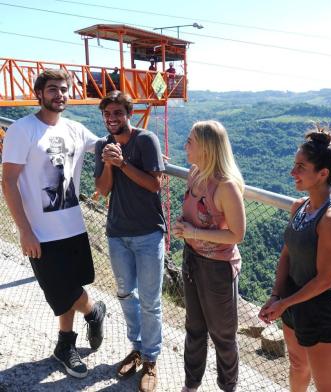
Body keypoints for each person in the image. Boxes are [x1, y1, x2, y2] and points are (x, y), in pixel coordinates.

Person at [1, 69, 106, 379]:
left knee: (67, 291)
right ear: (40, 93)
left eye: (63, 89)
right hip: (41, 233)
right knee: (62, 291)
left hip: (73, 227)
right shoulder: (23, 130)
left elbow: (105, 144)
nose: (59, 94)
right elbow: (8, 181)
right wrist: (24, 230)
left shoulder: (75, 129)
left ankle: (64, 345)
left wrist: (145, 149)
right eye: (52, 89)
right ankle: (94, 311)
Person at [259, 124, 331, 392]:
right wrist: (277, 296)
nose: (292, 172)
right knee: (298, 365)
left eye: (300, 167)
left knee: (327, 387)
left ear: (323, 174)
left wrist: (284, 302)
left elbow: (323, 280)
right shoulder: (300, 207)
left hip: (320, 309)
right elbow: (287, 253)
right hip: (293, 300)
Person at [94, 90, 166, 392]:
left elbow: (154, 185)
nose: (112, 119)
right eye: (107, 115)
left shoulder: (146, 140)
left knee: (150, 301)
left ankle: (150, 359)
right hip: (117, 233)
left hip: (148, 233)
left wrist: (123, 163)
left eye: (117, 114)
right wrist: (110, 165)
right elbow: (103, 190)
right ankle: (136, 348)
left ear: (129, 114)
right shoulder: (103, 145)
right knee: (125, 294)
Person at [173, 120, 246, 392]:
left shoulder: (225, 187)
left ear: (205, 148)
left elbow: (236, 234)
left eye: (190, 141)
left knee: (223, 336)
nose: (185, 145)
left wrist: (193, 231)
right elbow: (194, 214)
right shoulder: (195, 173)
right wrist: (185, 226)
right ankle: (191, 385)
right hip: (192, 259)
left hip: (217, 268)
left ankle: (228, 387)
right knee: (194, 328)